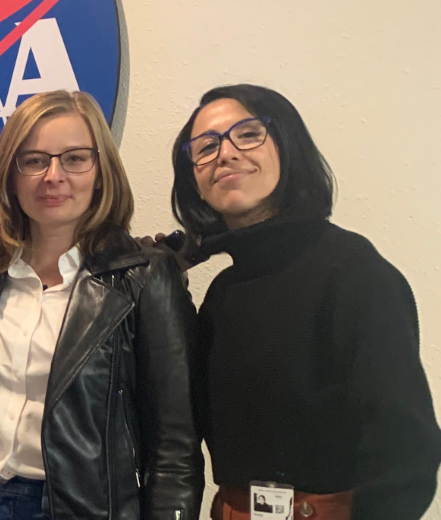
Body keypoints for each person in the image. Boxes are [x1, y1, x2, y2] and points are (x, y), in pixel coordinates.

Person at [0, 90, 205, 520]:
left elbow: (174, 453)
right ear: (10, 175)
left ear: (101, 171)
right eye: (33, 160)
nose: (53, 176)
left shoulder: (144, 278)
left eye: (74, 158)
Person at [160, 83, 441, 520]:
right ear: (193, 176)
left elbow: (406, 450)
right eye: (206, 146)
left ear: (288, 147)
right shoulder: (222, 291)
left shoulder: (352, 270)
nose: (226, 153)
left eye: (248, 134)